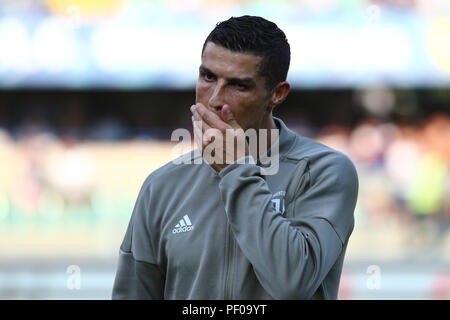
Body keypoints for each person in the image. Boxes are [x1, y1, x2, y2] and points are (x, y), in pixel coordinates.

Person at [112, 15, 358, 300]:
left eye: (238, 85)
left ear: (277, 94)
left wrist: (236, 169)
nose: (215, 98)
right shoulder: (161, 186)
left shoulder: (322, 171)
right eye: (208, 77)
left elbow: (292, 284)